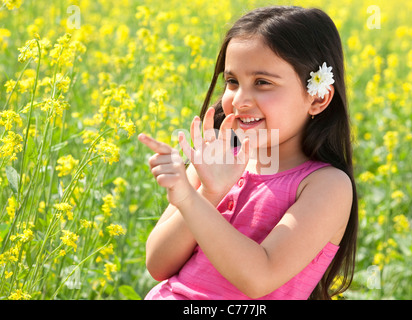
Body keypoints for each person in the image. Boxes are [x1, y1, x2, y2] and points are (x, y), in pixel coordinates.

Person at [138, 5, 358, 300]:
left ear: (317, 98)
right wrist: (208, 195)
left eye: (262, 83)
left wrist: (191, 202)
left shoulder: (326, 185)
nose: (239, 99)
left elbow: (259, 277)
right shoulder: (216, 158)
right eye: (232, 82)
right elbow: (158, 264)